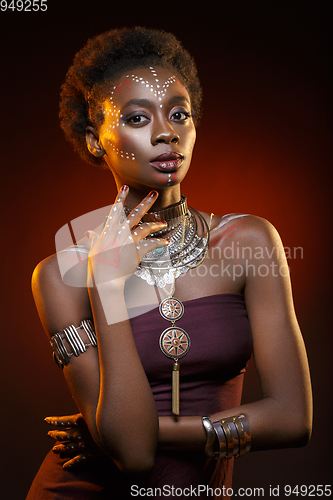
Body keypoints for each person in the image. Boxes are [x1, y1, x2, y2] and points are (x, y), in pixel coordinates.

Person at [26, 27, 312, 500]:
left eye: (180, 114)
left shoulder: (249, 240)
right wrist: (106, 286)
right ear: (96, 140)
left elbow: (292, 417)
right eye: (138, 118)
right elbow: (134, 457)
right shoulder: (62, 276)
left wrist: (115, 434)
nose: (166, 131)